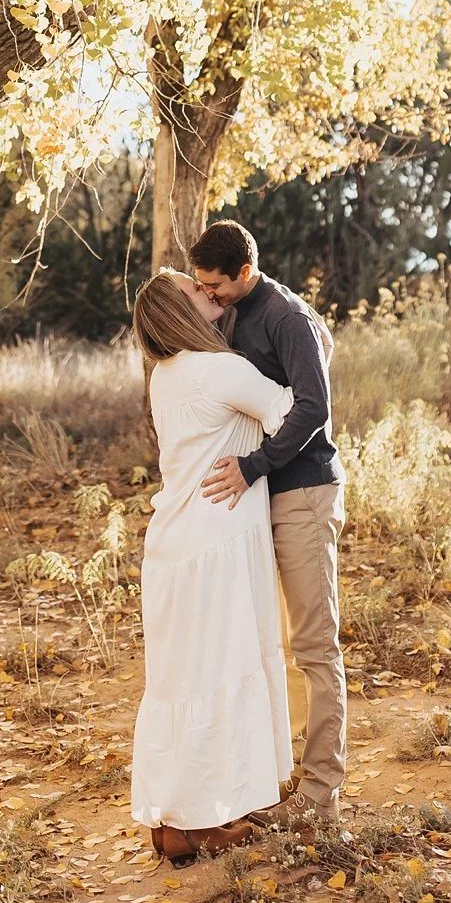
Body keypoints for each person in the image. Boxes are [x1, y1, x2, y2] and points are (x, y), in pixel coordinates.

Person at [129, 268, 296, 862]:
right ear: (180, 312)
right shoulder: (222, 371)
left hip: (173, 544)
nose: (208, 291)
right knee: (221, 672)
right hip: (217, 542)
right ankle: (203, 821)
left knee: (182, 681)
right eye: (194, 290)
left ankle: (178, 821)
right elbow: (290, 410)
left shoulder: (165, 377)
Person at [191, 221, 347, 824]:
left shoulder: (285, 315)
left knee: (314, 645)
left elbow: (314, 404)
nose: (211, 295)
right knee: (267, 646)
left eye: (216, 286)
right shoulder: (234, 313)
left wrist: (255, 465)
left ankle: (322, 799)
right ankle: (275, 779)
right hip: (265, 501)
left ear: (245, 273)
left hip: (303, 493)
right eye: (202, 287)